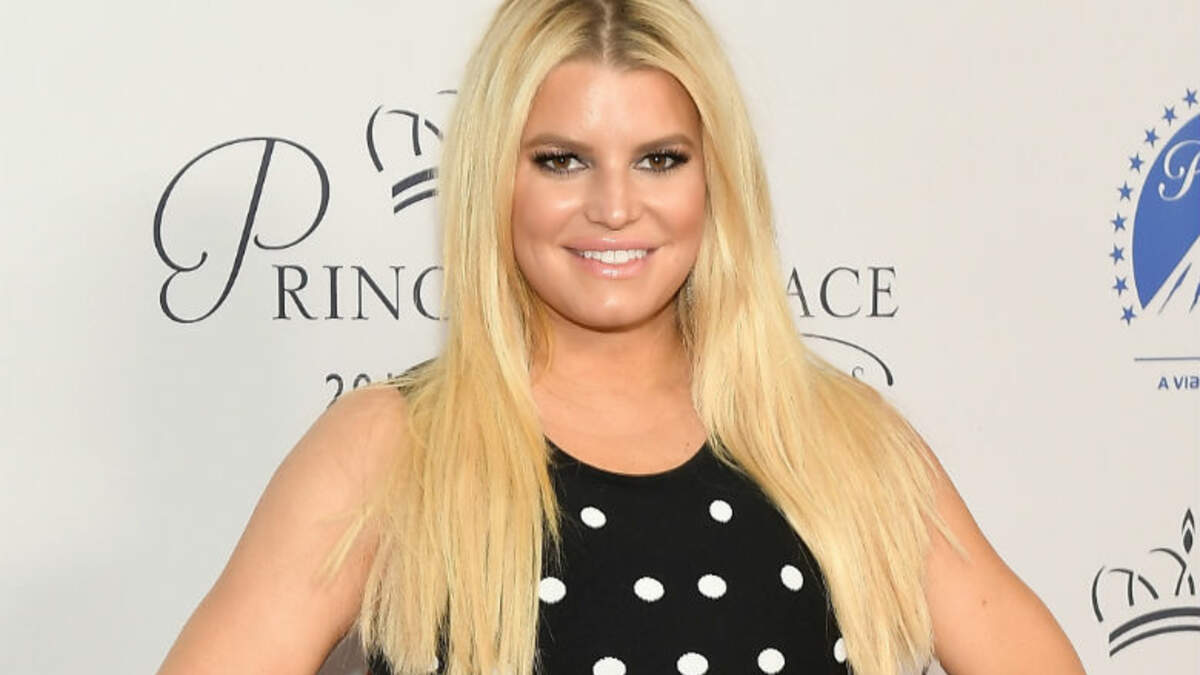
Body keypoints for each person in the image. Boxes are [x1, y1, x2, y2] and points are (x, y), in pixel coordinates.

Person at [157, 1, 1087, 673]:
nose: (613, 206)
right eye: (561, 160)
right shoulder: (390, 448)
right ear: (495, 179)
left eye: (659, 159)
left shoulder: (842, 442)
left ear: (715, 179)